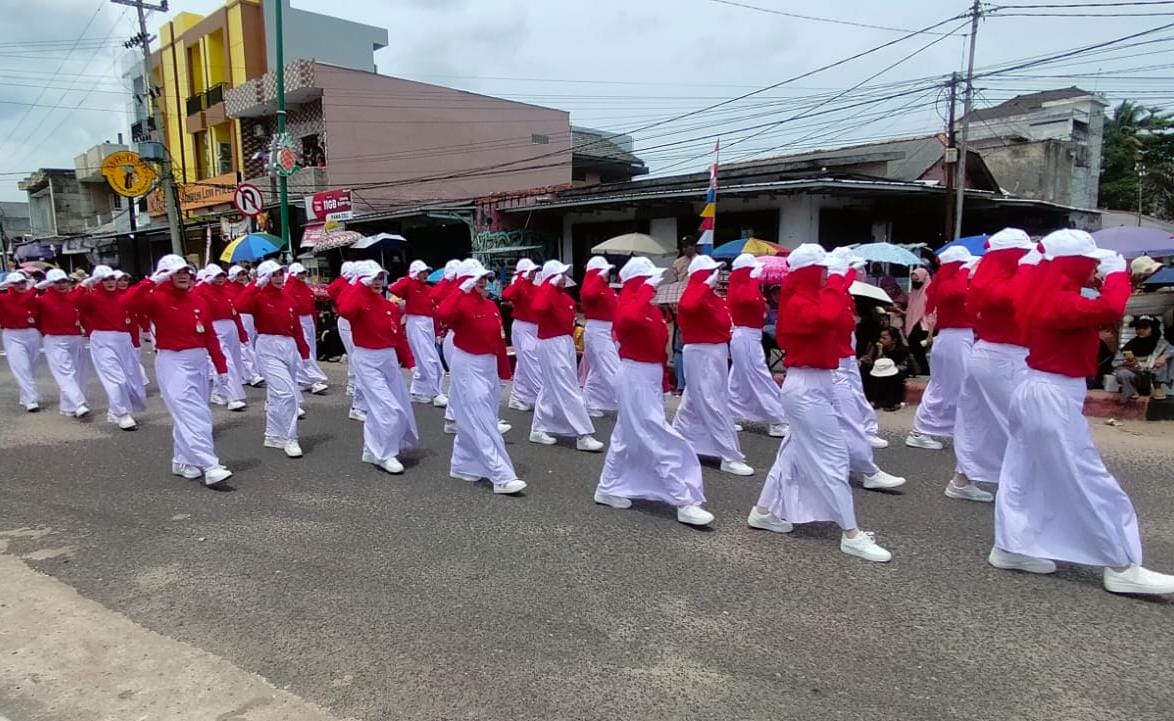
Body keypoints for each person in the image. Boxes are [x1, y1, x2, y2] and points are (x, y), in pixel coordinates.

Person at [992, 229, 1174, 595]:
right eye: (1089, 264)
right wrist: (1118, 274)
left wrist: (1111, 275)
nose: (1094, 270)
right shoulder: (1059, 299)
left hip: (1039, 389)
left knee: (1023, 473)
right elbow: (1111, 308)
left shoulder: (1042, 290)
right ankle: (1120, 564)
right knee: (1088, 478)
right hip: (1051, 394)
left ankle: (1011, 545)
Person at [749, 244, 891, 562]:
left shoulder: (811, 296)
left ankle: (762, 511)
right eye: (824, 269)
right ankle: (851, 534)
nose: (828, 274)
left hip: (816, 384)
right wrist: (840, 282)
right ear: (812, 271)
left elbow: (841, 323)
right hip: (806, 387)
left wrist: (839, 287)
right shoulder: (800, 301)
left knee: (793, 455)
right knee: (833, 458)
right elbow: (826, 318)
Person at [594, 257, 714, 526]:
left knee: (625, 435)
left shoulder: (652, 309)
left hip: (648, 375)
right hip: (634, 375)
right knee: (655, 434)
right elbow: (626, 322)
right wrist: (644, 291)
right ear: (639, 282)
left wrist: (662, 383)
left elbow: (659, 347)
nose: (657, 284)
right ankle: (682, 498)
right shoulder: (629, 304)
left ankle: (607, 487)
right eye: (651, 280)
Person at [122, 255, 232, 488]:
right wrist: (151, 281)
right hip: (173, 362)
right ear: (165, 275)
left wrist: (221, 367)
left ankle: (182, 461)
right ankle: (210, 465)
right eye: (176, 272)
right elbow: (126, 304)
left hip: (199, 360)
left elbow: (210, 335)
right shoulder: (155, 299)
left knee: (192, 412)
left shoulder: (198, 299)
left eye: (186, 271)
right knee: (195, 415)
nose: (183, 275)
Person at [947, 229, 1037, 503]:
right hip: (1005, 357)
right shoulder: (1000, 282)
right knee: (1022, 423)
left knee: (980, 420)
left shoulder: (988, 276)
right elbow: (1012, 298)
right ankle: (1025, 488)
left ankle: (962, 479)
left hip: (991, 354)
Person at [436, 259, 526, 495]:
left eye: (484, 277)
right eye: (477, 278)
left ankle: (462, 464)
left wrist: (504, 371)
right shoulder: (459, 304)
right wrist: (460, 289)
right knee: (483, 419)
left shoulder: (490, 306)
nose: (482, 281)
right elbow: (442, 313)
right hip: (467, 363)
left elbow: (498, 339)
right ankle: (502, 475)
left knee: (475, 417)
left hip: (488, 365)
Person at [824, 248, 906, 491]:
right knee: (846, 418)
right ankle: (867, 470)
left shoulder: (836, 290)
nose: (859, 273)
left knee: (837, 420)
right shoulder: (827, 291)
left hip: (836, 360)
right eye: (853, 268)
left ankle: (843, 464)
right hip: (830, 364)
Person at [672, 255, 753, 476]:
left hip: (715, 351)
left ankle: (676, 442)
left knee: (694, 401)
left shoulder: (713, 297)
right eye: (712, 272)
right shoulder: (694, 294)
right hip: (701, 352)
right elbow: (688, 307)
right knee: (711, 401)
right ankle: (729, 455)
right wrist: (703, 284)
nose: (717, 276)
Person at [337, 260, 420, 474]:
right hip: (366, 359)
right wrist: (358, 284)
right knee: (388, 408)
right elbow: (344, 309)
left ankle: (372, 450)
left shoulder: (389, 307)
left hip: (389, 359)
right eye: (373, 278)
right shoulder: (358, 302)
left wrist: (410, 362)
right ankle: (385, 455)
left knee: (391, 407)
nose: (378, 282)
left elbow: (398, 337)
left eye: (381, 278)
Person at [235, 261, 311, 459]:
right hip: (268, 345)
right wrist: (256, 285)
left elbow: (296, 326)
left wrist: (304, 352)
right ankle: (290, 438)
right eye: (274, 275)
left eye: (280, 274)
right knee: (287, 393)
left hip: (288, 346)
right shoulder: (258, 296)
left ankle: (274, 435)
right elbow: (239, 305)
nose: (279, 278)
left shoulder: (288, 297)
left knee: (278, 394)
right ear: (265, 277)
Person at [528, 260, 604, 452]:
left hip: (565, 342)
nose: (563, 278)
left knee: (551, 385)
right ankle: (583, 433)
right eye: (558, 274)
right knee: (568, 387)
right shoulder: (545, 293)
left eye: (563, 274)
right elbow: (538, 308)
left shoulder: (563, 296)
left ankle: (538, 428)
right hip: (550, 343)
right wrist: (547, 283)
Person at [905, 248, 975, 450]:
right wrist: (964, 272)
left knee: (950, 387)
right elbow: (957, 293)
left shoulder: (949, 281)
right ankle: (920, 430)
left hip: (956, 337)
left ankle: (941, 429)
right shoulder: (949, 283)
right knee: (945, 388)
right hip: (954, 338)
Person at [74, 265, 147, 429]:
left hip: (124, 339)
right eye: (105, 279)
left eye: (112, 278)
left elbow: (140, 298)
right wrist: (86, 283)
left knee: (131, 380)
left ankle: (114, 411)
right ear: (98, 281)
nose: (110, 282)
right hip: (102, 339)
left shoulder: (123, 296)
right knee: (116, 379)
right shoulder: (91, 297)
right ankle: (122, 414)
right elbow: (74, 299)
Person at [725, 253, 787, 438]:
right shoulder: (744, 288)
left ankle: (730, 413)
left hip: (748, 336)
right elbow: (749, 301)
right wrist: (753, 282)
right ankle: (776, 418)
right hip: (746, 336)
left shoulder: (744, 287)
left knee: (737, 379)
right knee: (758, 376)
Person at [32, 268, 90, 418]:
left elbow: (84, 315)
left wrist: (89, 332)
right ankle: (79, 403)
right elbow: (28, 307)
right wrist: (36, 288)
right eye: (57, 282)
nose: (62, 285)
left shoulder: (73, 297)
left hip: (76, 338)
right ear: (49, 284)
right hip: (54, 339)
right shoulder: (41, 300)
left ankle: (68, 407)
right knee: (65, 373)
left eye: (64, 281)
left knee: (78, 373)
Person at [389, 259, 447, 407]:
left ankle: (418, 391)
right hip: (415, 323)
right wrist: (409, 277)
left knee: (426, 359)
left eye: (426, 271)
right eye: (422, 272)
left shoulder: (428, 289)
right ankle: (436, 392)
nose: (425, 274)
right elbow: (394, 289)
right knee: (428, 359)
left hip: (428, 324)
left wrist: (437, 332)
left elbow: (434, 309)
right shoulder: (409, 285)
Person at [195, 264, 249, 412]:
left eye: (222, 276)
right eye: (216, 276)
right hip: (215, 328)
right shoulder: (202, 290)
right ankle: (233, 397)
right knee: (226, 362)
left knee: (235, 362)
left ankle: (219, 392)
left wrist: (242, 333)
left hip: (231, 327)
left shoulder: (227, 290)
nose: (220, 279)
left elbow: (235, 312)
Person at [578, 256, 620, 417]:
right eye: (605, 271)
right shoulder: (591, 287)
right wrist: (595, 276)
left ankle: (590, 402)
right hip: (598, 330)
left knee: (597, 369)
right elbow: (588, 294)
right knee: (612, 368)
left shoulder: (606, 288)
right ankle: (627, 402)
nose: (608, 273)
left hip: (607, 330)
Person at [502, 258, 542, 412]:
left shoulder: (534, 287)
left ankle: (517, 397)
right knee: (531, 362)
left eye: (534, 271)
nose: (533, 274)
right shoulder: (519, 286)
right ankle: (543, 397)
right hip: (522, 327)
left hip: (535, 328)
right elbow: (506, 294)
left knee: (524, 363)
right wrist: (520, 278)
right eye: (530, 271)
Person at [0, 271, 42, 411]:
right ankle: (31, 399)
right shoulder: (4, 298)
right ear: (10, 285)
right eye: (16, 283)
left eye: (22, 282)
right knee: (21, 367)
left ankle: (25, 395)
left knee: (31, 367)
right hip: (13, 335)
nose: (20, 285)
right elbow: (21, 300)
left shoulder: (33, 298)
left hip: (31, 334)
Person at [284, 262, 328, 394]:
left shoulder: (305, 287)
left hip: (308, 320)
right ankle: (312, 378)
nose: (302, 276)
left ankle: (304, 379)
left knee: (311, 348)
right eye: (299, 273)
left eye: (303, 273)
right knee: (305, 348)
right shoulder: (289, 288)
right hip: (299, 320)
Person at [1113, 316, 1171, 402]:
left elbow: (1171, 349)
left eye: (1145, 328)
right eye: (1138, 328)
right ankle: (1131, 391)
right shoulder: (1131, 343)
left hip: (1152, 373)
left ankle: (1158, 388)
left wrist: (1163, 357)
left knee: (1162, 363)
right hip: (1136, 373)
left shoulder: (1161, 343)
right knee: (1122, 373)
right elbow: (1116, 361)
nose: (1141, 331)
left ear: (1152, 328)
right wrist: (1125, 363)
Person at [327, 261, 361, 407]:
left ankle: (357, 383)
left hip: (358, 320)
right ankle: (352, 384)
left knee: (359, 353)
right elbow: (331, 291)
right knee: (353, 353)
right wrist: (343, 279)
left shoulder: (358, 284)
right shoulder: (341, 285)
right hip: (346, 321)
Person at [226, 265, 264, 387]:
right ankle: (250, 374)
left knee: (250, 344)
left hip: (249, 318)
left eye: (243, 274)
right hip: (239, 317)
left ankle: (251, 372)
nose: (242, 277)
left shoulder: (244, 287)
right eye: (239, 274)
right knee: (244, 346)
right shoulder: (229, 289)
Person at [860, 327, 909, 411]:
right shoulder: (876, 347)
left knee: (892, 377)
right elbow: (872, 362)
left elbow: (901, 366)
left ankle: (892, 402)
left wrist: (881, 354)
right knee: (865, 372)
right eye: (880, 337)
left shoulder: (901, 350)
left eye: (884, 338)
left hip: (897, 371)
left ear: (894, 340)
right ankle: (870, 399)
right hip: (879, 371)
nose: (881, 340)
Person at [904, 266, 932, 375]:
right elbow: (911, 310)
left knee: (919, 351)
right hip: (913, 325)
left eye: (917, 280)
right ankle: (922, 371)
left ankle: (926, 372)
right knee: (915, 351)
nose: (915, 282)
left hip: (924, 326)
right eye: (913, 280)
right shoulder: (913, 293)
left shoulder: (929, 292)